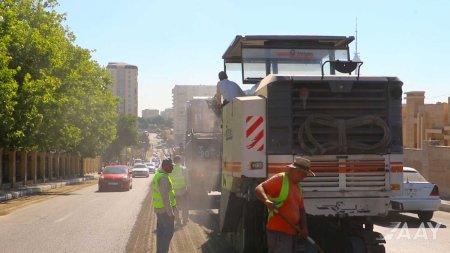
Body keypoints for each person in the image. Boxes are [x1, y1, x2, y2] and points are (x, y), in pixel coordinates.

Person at [255, 156, 315, 253]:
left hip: (292, 232)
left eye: (305, 175)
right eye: (303, 174)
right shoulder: (280, 179)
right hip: (279, 231)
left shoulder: (298, 186)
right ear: (295, 171)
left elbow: (301, 209)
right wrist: (266, 200)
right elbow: (259, 188)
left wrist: (304, 228)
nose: (304, 177)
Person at [153, 158, 178, 253]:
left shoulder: (159, 175)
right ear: (165, 166)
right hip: (164, 210)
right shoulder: (163, 178)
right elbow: (165, 198)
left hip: (159, 209)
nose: (172, 168)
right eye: (170, 166)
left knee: (161, 232)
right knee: (168, 232)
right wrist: (170, 214)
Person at [169, 155, 189, 225]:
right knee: (185, 205)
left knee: (175, 206)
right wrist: (188, 189)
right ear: (180, 161)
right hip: (183, 191)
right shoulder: (184, 169)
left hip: (173, 192)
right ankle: (185, 219)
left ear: (173, 161)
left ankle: (178, 220)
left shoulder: (170, 170)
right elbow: (187, 180)